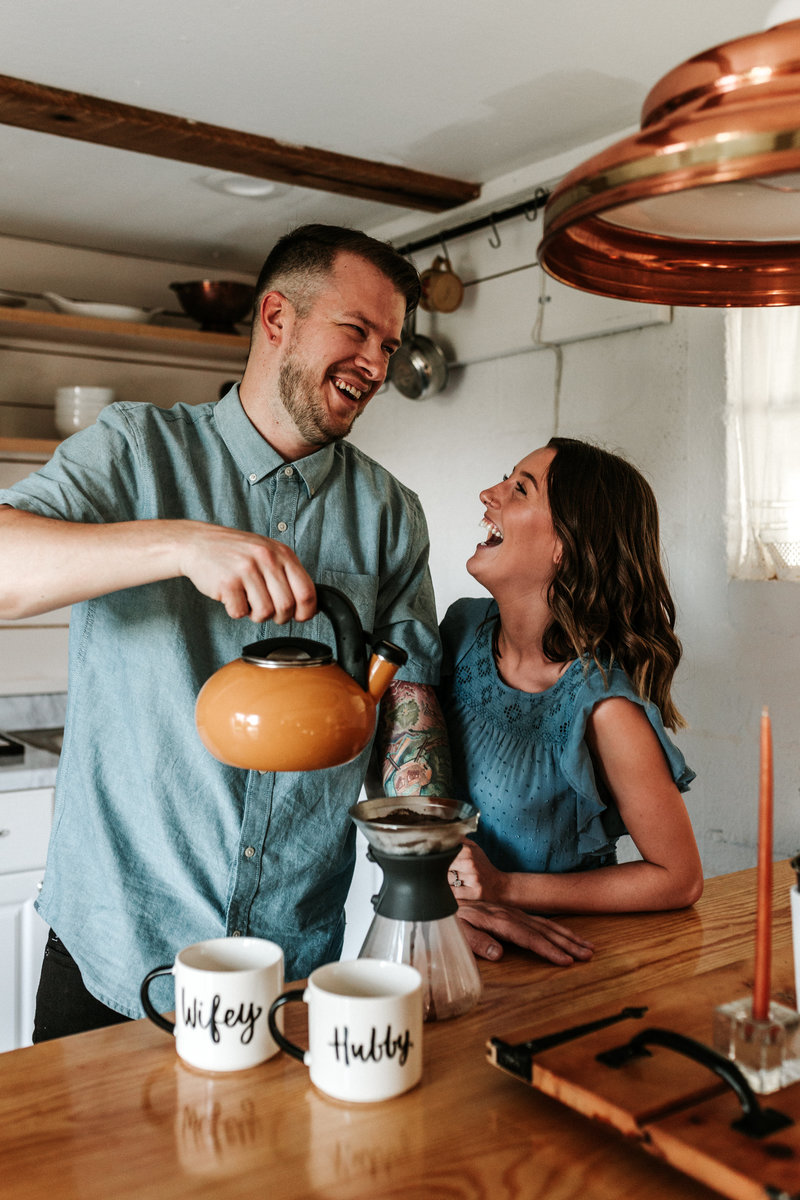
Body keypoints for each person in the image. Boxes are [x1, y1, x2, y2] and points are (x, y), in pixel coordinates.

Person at [0, 227, 589, 1040]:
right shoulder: (137, 450)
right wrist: (181, 542)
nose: (377, 366)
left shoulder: (387, 512)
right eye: (356, 332)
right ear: (277, 317)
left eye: (390, 344)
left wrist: (431, 881)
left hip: (294, 959)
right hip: (118, 950)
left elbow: (406, 700)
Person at [438, 437, 704, 916]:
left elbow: (678, 880)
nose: (488, 494)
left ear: (565, 545)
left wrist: (504, 888)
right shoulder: (460, 630)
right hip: (441, 933)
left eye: (520, 489)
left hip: (554, 962)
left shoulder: (604, 708)